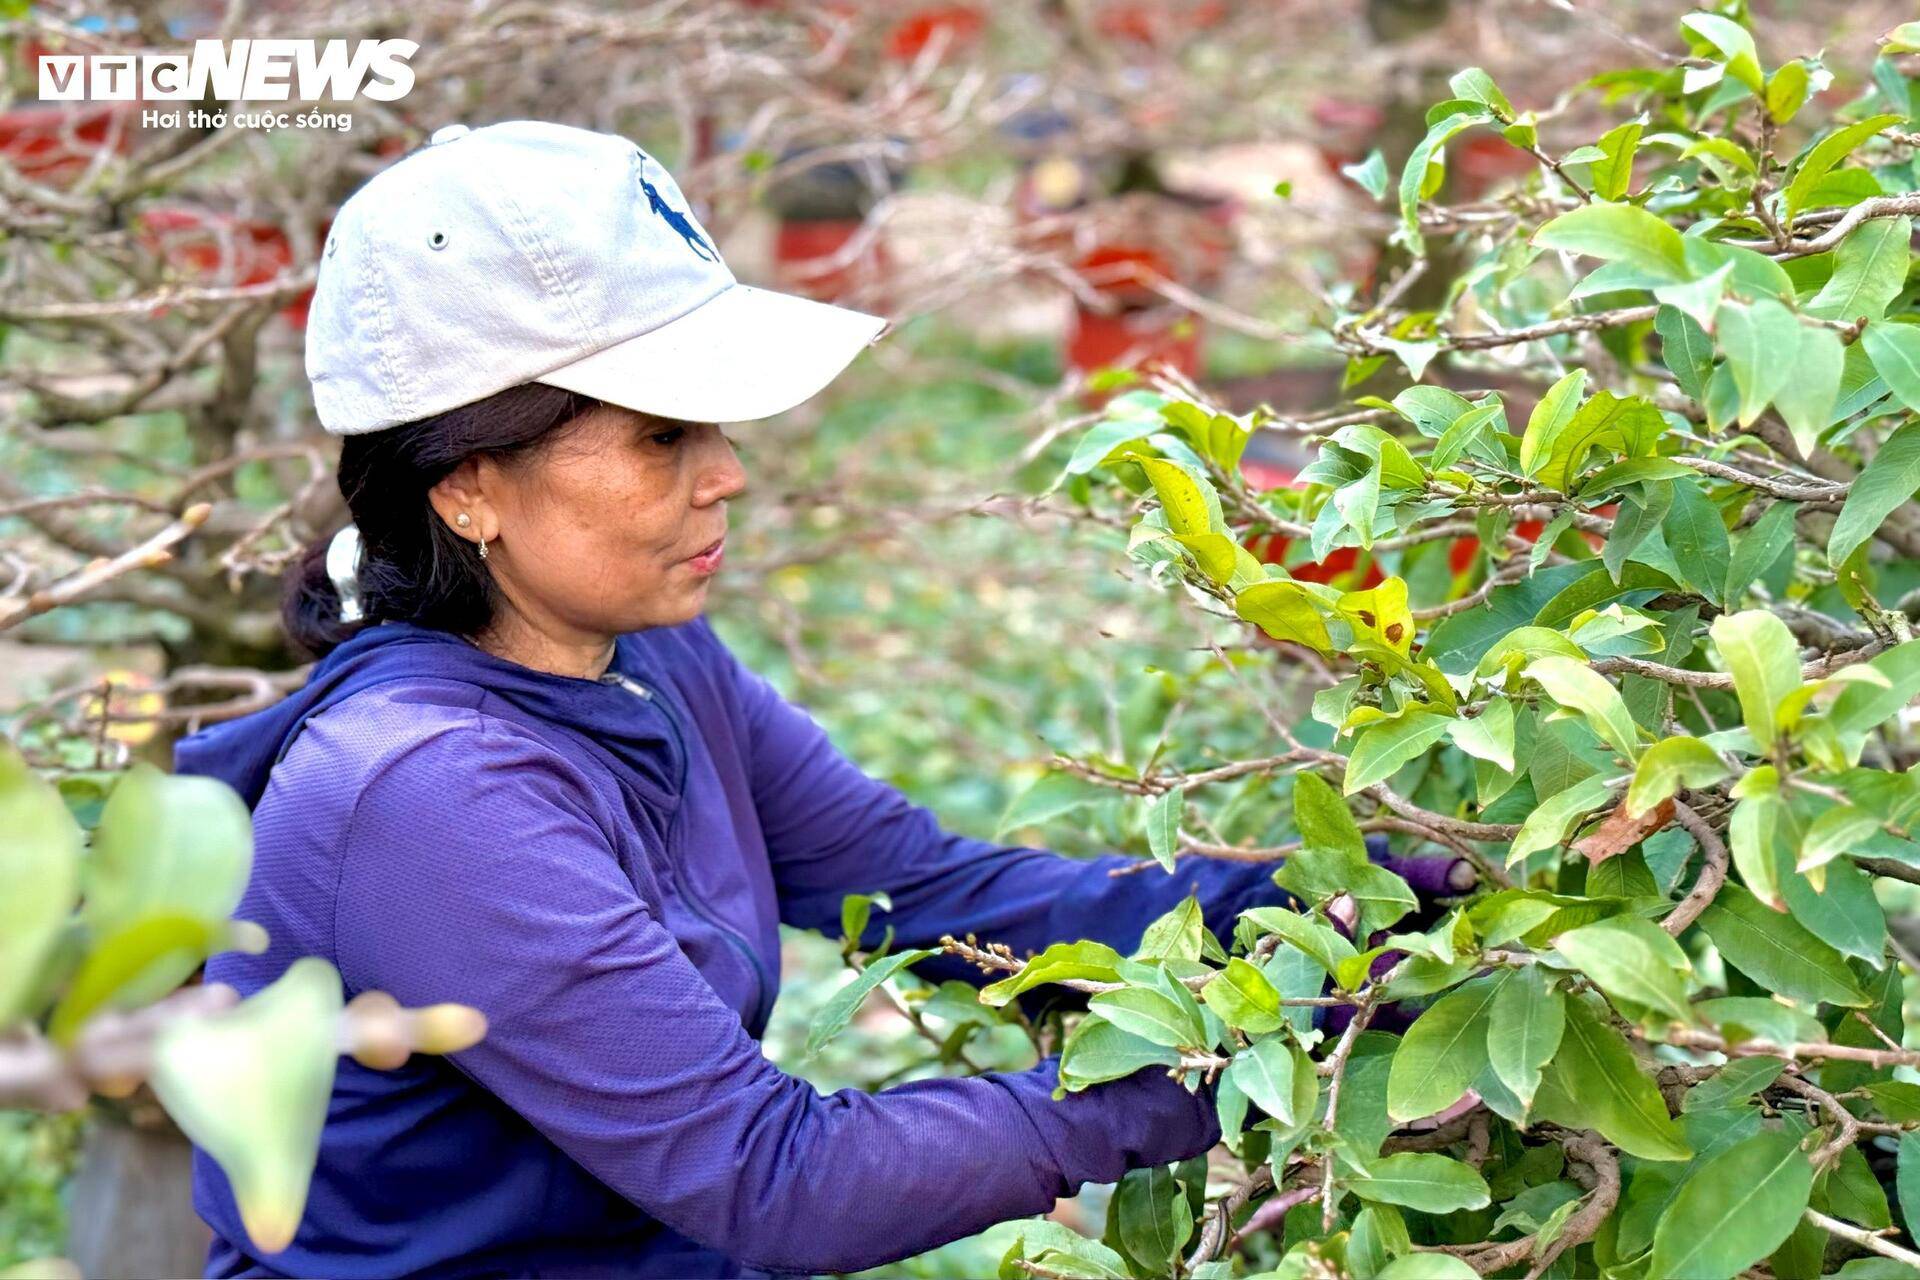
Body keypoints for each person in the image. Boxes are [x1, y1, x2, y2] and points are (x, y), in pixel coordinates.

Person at [172, 120, 1467, 1279]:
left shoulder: (648, 659)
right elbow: (779, 1181)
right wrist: (1213, 1060)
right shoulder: (432, 793)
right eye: (662, 435)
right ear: (468, 485)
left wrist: (1311, 909)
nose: (726, 473)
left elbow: (921, 889)